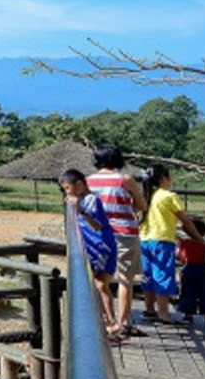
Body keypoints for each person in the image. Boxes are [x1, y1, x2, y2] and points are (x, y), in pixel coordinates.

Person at [88, 144, 148, 339]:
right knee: (125, 279)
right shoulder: (125, 180)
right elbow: (141, 205)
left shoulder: (88, 182)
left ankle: (106, 320)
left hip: (99, 234)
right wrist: (127, 211)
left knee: (101, 279)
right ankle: (123, 323)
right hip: (125, 233)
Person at [60, 169, 120, 339]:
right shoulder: (81, 200)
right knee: (96, 285)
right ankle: (106, 323)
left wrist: (80, 210)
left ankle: (111, 323)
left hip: (101, 247)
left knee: (100, 285)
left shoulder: (91, 200)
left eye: (67, 188)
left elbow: (97, 226)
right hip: (91, 247)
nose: (67, 192)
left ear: (79, 185)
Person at [140, 164, 204, 325]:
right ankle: (164, 313)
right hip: (162, 240)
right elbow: (186, 222)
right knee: (163, 275)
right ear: (163, 178)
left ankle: (149, 309)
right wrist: (198, 238)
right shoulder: (168, 196)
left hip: (144, 239)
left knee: (148, 276)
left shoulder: (146, 194)